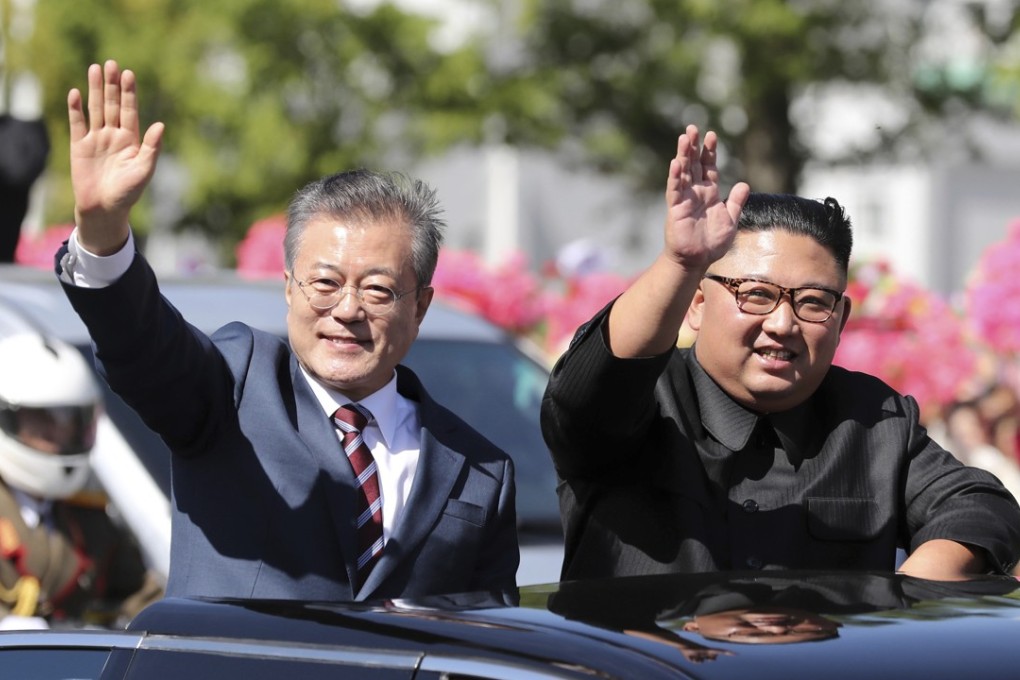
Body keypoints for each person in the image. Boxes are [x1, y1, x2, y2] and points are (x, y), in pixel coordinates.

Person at [54, 60, 518, 602]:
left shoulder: (480, 469)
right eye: (324, 282)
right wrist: (104, 231)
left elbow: (491, 638)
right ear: (289, 287)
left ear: (420, 307)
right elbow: (142, 345)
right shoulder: (234, 385)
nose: (346, 309)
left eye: (377, 290)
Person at [541, 124, 1020, 582]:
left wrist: (912, 592)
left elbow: (979, 505)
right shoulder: (642, 405)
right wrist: (680, 264)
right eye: (756, 295)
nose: (783, 324)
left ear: (841, 320)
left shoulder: (874, 419)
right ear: (697, 304)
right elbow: (588, 391)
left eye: (813, 302)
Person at [0, 333, 162, 628]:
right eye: (42, 418)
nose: (60, 433)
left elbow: (142, 595)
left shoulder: (87, 516)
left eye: (70, 420)